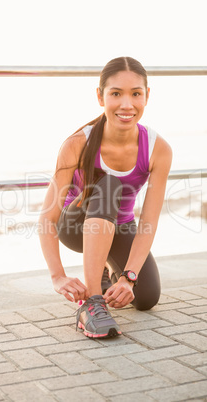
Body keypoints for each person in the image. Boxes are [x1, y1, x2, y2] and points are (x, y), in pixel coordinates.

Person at [39, 57, 172, 339]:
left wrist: (129, 277)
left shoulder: (159, 149)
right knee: (110, 185)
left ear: (147, 96)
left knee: (146, 297)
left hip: (120, 227)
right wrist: (58, 276)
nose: (127, 104)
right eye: (116, 94)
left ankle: (105, 272)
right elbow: (48, 216)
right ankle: (92, 305)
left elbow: (148, 220)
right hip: (74, 227)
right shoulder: (77, 143)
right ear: (100, 96)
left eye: (136, 93)